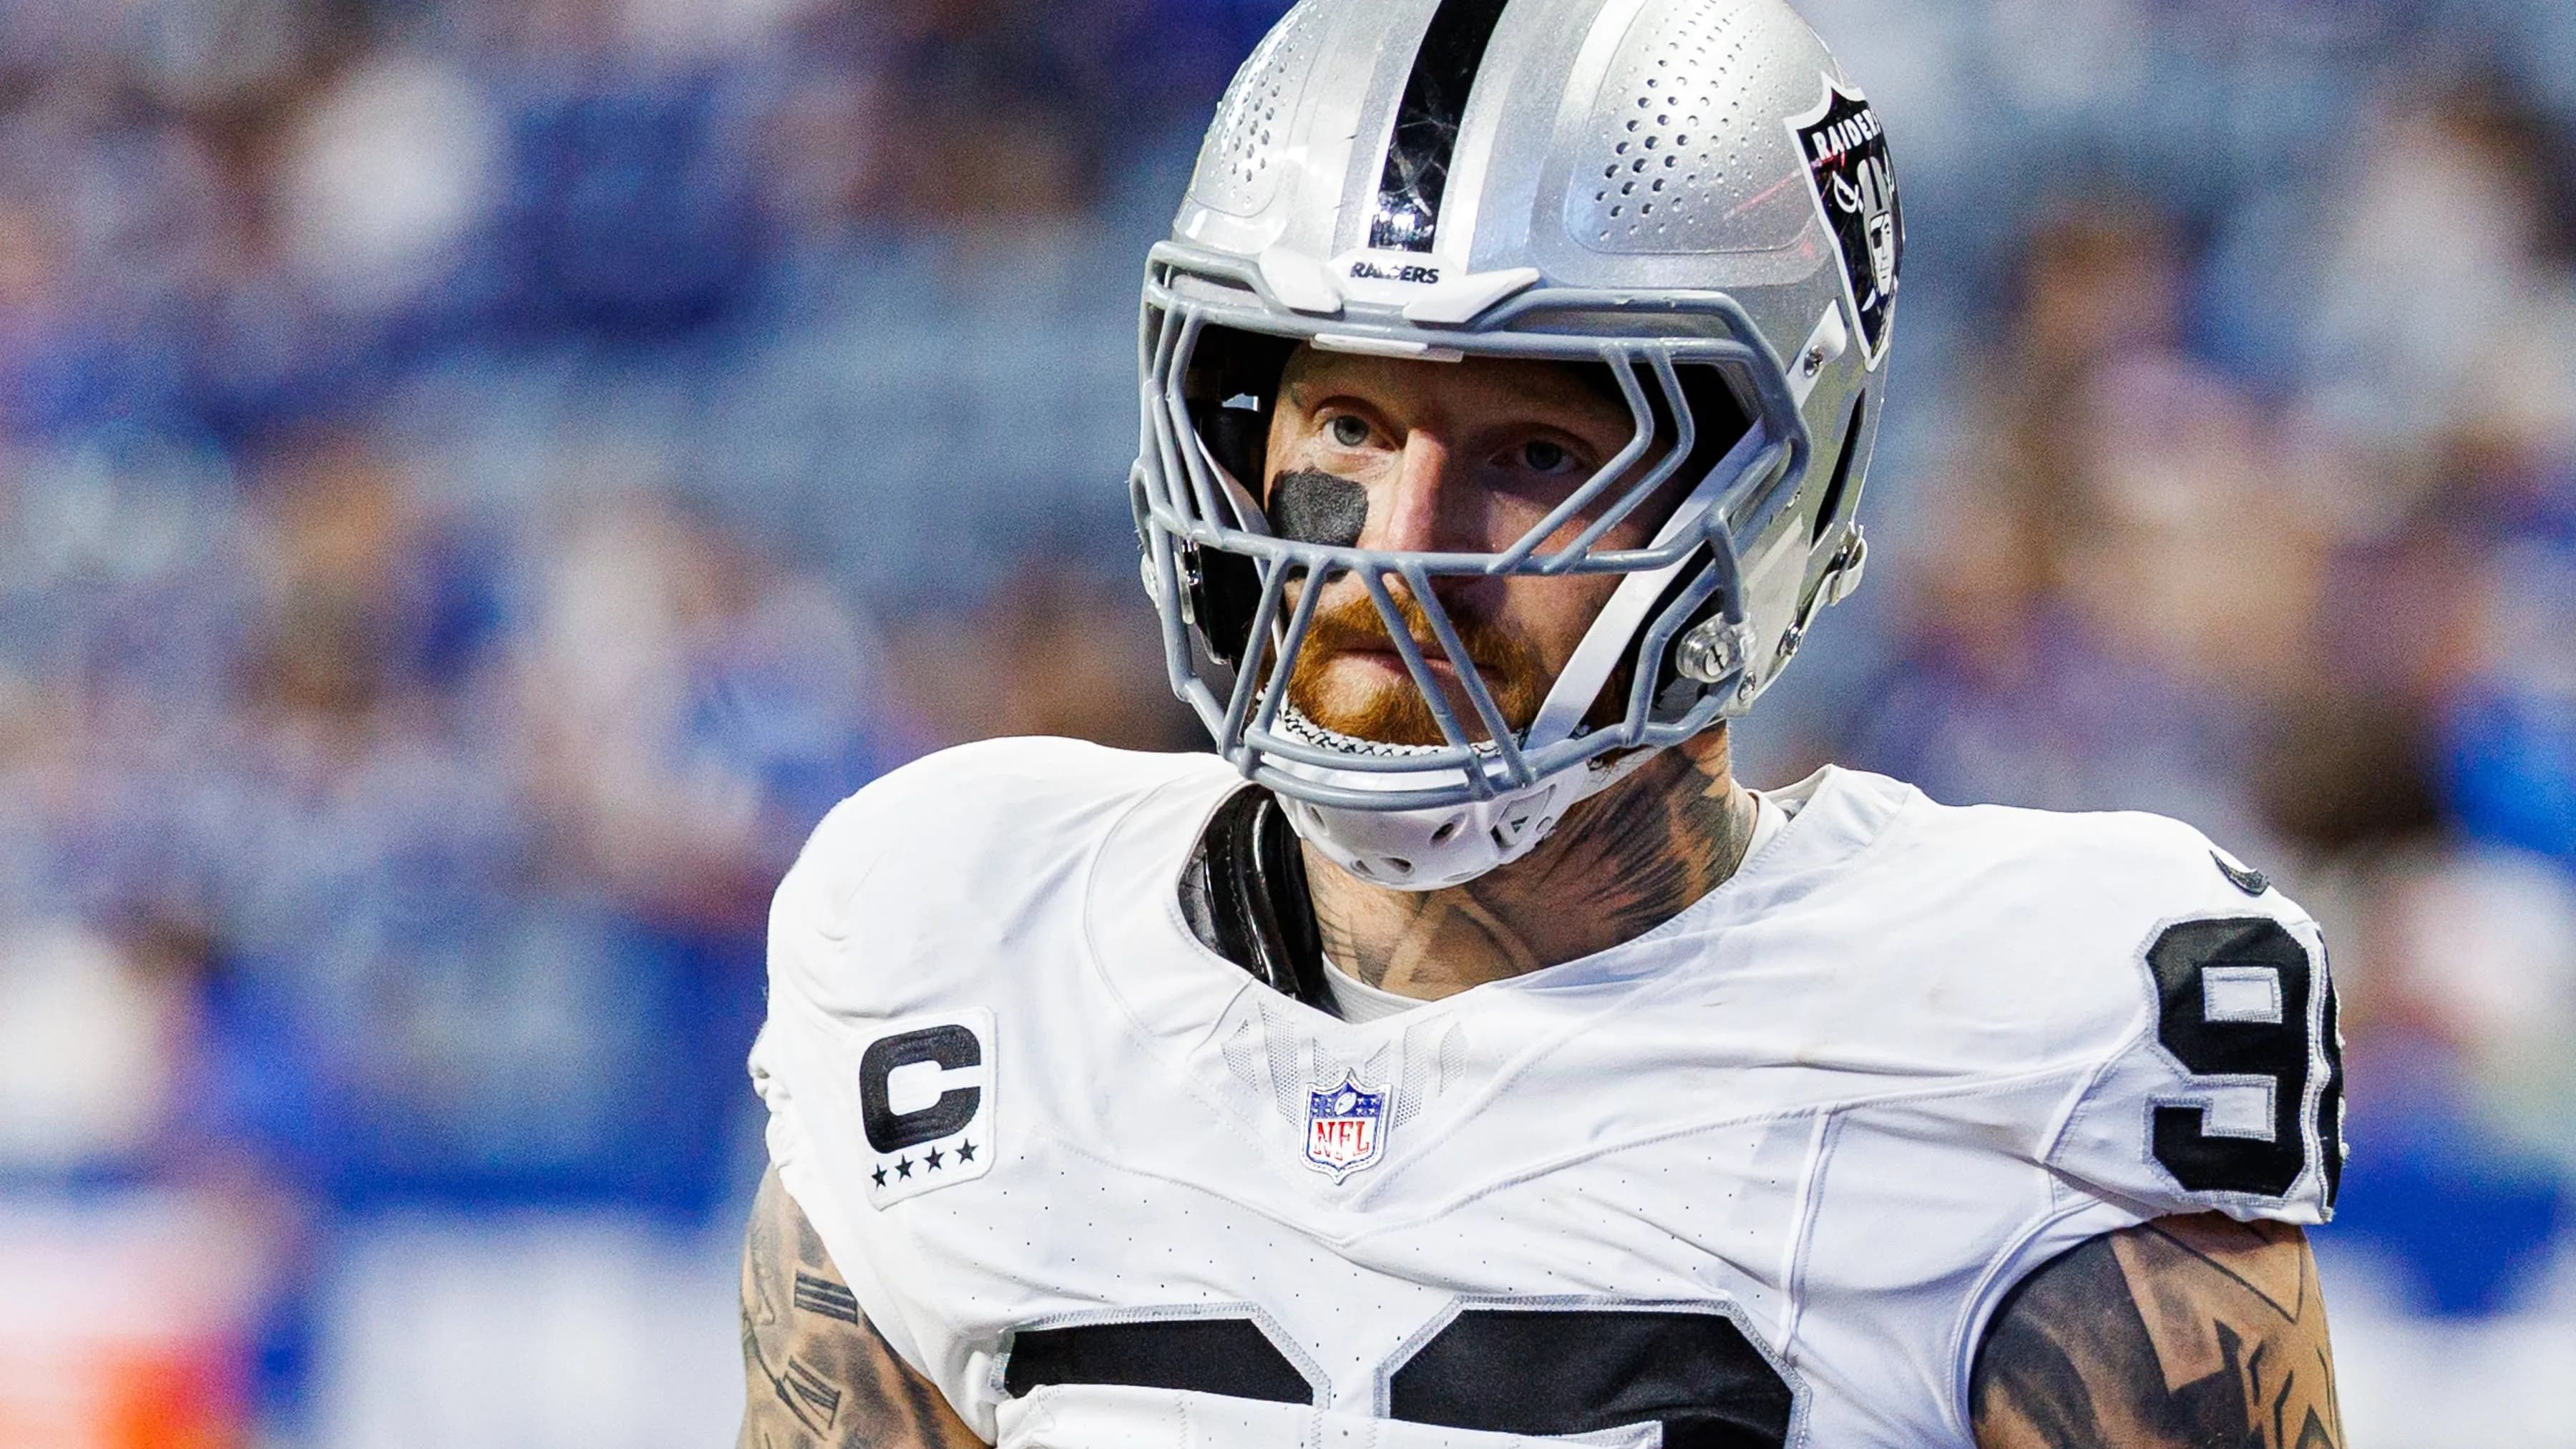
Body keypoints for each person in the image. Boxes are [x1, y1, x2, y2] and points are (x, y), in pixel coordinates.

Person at [738, 0, 2348, 1443]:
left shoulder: (2016, 1034)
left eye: (1534, 455)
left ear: (1762, 502)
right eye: (1349, 423)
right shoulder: (961, 940)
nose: (1398, 548)